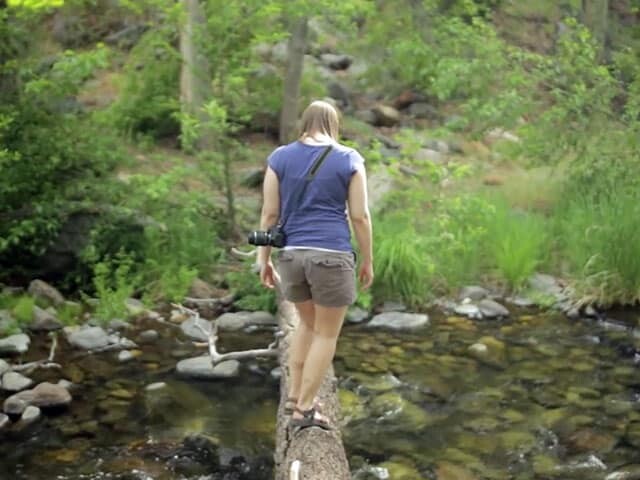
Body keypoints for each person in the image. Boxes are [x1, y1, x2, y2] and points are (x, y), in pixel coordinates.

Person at [257, 100, 374, 430]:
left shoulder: (279, 158)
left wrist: (262, 260)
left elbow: (269, 215)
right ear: (333, 124)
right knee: (326, 333)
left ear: (304, 123)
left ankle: (295, 397)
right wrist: (367, 259)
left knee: (307, 325)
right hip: (331, 256)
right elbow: (360, 216)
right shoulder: (349, 158)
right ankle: (305, 410)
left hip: (292, 256)